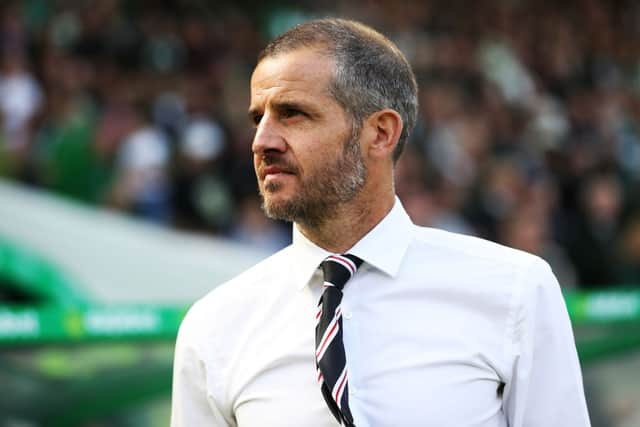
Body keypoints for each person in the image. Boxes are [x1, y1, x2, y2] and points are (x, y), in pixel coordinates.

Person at [171, 18, 590, 427]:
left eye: (293, 114)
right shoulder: (215, 326)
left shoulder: (515, 290)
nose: (262, 141)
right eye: (257, 118)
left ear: (381, 133)